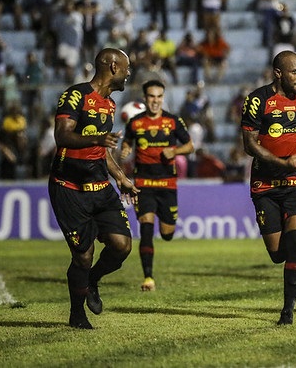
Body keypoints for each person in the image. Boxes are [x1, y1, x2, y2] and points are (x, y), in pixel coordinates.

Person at [48, 48, 140, 330]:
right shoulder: (76, 95)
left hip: (99, 186)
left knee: (122, 246)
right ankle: (77, 315)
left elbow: (102, 151)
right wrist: (98, 138)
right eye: (126, 68)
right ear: (112, 66)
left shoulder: (110, 104)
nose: (128, 73)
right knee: (83, 256)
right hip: (69, 188)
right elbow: (62, 136)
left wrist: (121, 177)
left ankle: (93, 280)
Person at [240, 50, 296, 325]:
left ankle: (288, 310)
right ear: (278, 74)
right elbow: (250, 144)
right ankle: (291, 260)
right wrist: (283, 162)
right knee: (278, 254)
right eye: (295, 72)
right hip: (265, 185)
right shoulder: (257, 100)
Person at [121, 80, 194, 292]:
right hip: (143, 183)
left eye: (159, 97)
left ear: (163, 97)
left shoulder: (173, 121)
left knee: (167, 233)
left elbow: (190, 145)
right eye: (152, 97)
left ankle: (166, 229)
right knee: (146, 227)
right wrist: (125, 149)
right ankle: (148, 278)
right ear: (145, 99)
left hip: (168, 184)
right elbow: (127, 142)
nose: (155, 101)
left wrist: (176, 152)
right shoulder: (135, 122)